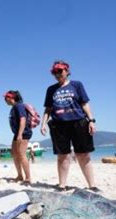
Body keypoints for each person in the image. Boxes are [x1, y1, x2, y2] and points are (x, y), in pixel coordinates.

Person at [40, 60, 98, 192]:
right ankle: (62, 185)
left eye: (60, 71)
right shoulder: (51, 89)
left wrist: (91, 120)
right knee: (63, 155)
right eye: (54, 72)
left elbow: (84, 104)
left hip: (79, 122)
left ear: (67, 71)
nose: (57, 74)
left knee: (83, 154)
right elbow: (48, 109)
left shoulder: (76, 85)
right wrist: (43, 124)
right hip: (59, 125)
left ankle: (92, 185)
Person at [4, 90, 33, 184]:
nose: (5, 99)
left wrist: (20, 134)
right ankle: (20, 176)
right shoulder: (14, 107)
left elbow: (23, 119)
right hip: (17, 133)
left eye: (6, 97)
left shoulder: (19, 106)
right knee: (14, 154)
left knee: (21, 154)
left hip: (23, 132)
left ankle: (28, 178)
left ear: (12, 98)